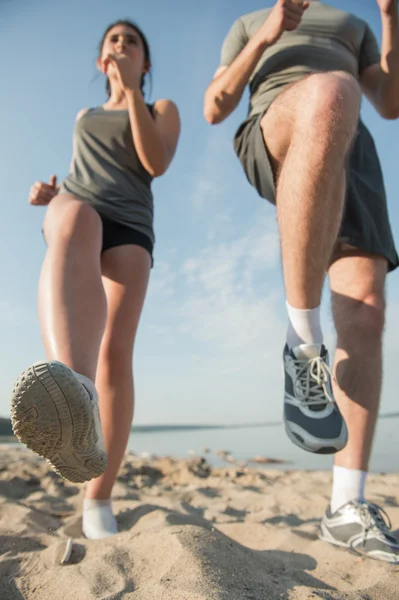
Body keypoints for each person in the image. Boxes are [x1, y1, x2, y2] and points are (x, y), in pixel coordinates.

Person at [204, 0, 399, 562]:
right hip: (278, 121)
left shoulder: (355, 25)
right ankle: (301, 343)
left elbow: (388, 102)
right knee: (332, 91)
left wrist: (389, 18)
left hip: (353, 147)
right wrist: (266, 34)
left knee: (366, 310)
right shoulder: (248, 22)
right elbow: (215, 105)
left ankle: (345, 506)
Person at [10, 19, 180, 539]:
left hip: (131, 221)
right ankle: (76, 393)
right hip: (80, 204)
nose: (122, 45)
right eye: (114, 40)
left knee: (116, 352)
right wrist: (48, 193)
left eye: (132, 42)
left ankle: (98, 496)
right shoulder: (84, 115)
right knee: (77, 217)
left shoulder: (160, 109)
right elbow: (82, 168)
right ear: (100, 58)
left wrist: (131, 93)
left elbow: (155, 160)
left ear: (144, 62)